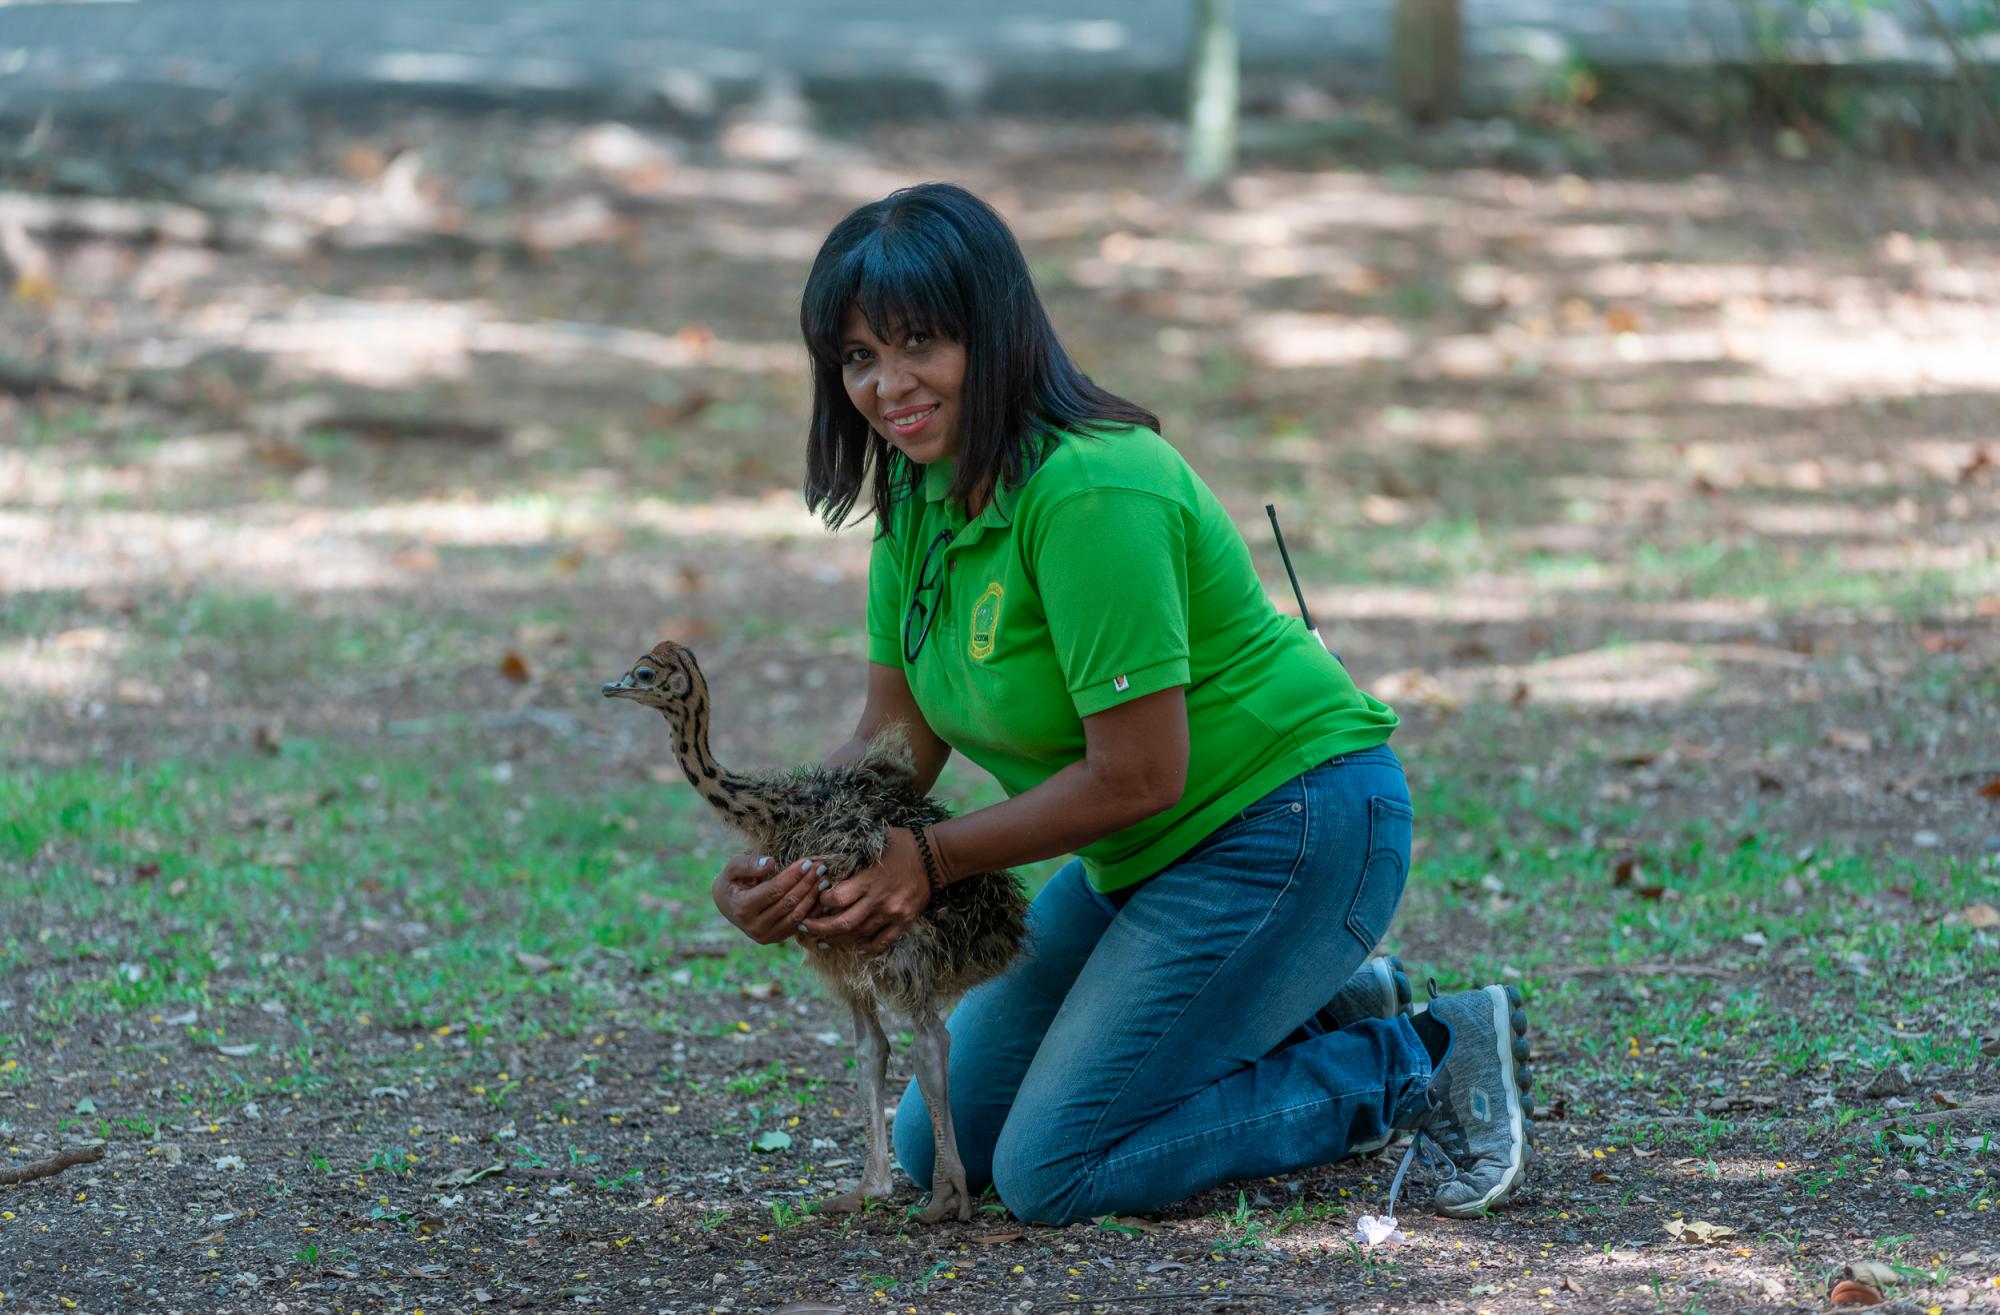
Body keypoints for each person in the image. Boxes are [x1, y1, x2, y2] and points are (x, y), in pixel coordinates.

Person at [708, 182, 1533, 1226]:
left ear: (993, 331)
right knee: (933, 1140)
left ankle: (1422, 1054)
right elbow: (892, 744)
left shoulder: (1093, 489)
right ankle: (1302, 998)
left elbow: (1141, 773)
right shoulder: (917, 503)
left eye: (919, 341)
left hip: (1290, 826)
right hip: (1139, 859)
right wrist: (793, 860)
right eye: (859, 357)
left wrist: (930, 860)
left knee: (1056, 1168)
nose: (887, 384)